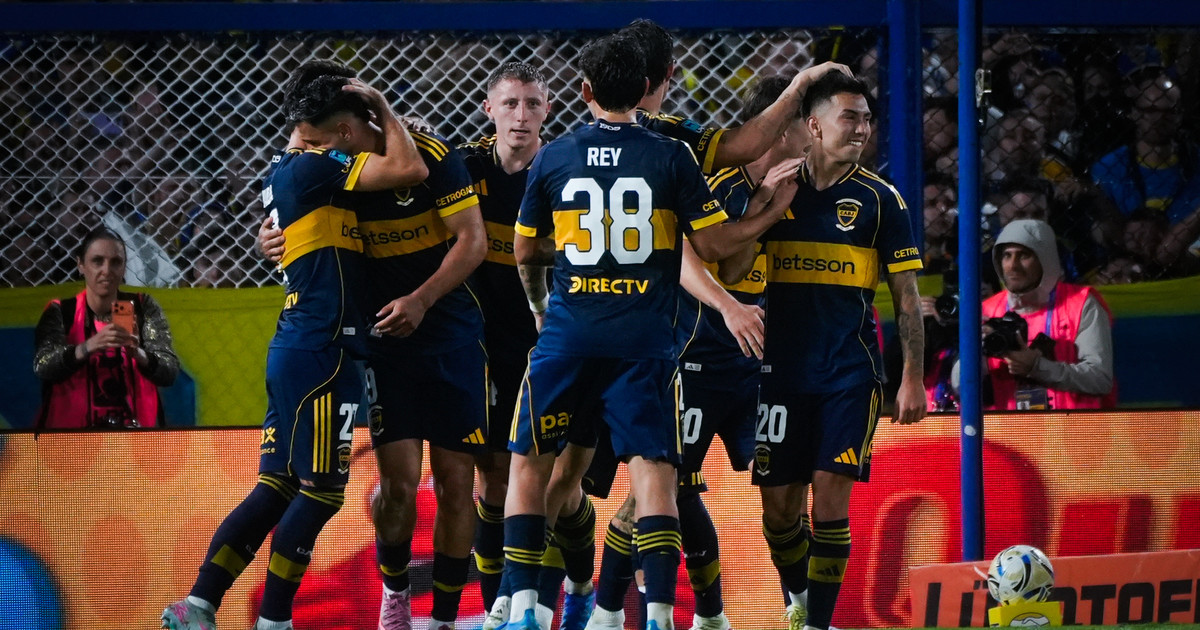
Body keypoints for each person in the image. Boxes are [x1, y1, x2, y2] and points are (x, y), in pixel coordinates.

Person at [503, 33, 792, 630]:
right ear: (644, 89)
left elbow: (525, 250)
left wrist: (561, 279)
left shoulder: (554, 157)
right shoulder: (671, 155)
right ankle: (658, 613)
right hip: (645, 343)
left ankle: (521, 608)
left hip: (569, 337)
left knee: (531, 465)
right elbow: (712, 245)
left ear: (583, 90)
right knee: (655, 475)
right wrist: (766, 211)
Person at [162, 64, 428, 630]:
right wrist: (384, 108)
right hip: (325, 349)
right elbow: (410, 167)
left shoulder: (287, 169)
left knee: (277, 486)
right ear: (333, 128)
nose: (357, 136)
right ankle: (275, 620)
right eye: (350, 125)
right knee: (323, 492)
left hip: (296, 345)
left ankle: (199, 604)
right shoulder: (316, 165)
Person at [254, 61, 489, 630]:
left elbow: (473, 241)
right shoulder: (340, 170)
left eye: (325, 138)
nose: (317, 149)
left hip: (452, 337)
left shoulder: (429, 155)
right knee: (399, 486)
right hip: (386, 345)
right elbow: (289, 205)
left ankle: (445, 618)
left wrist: (422, 300)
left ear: (350, 126)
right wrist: (270, 236)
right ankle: (395, 597)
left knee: (457, 484)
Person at [719, 70, 927, 630]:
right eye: (849, 117)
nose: (861, 129)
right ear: (812, 125)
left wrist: (912, 377)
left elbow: (907, 299)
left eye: (867, 119)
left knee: (830, 501)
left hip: (848, 376)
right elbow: (734, 271)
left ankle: (817, 625)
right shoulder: (779, 188)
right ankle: (799, 602)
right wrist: (765, 206)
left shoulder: (882, 201)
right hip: (779, 376)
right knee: (779, 513)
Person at [665, 75, 810, 630]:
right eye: (806, 122)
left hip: (762, 366)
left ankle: (802, 608)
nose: (814, 133)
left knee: (783, 494)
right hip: (697, 360)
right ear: (782, 129)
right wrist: (765, 206)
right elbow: (726, 268)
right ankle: (710, 616)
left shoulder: (808, 187)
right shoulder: (716, 184)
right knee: (673, 488)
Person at [457, 61, 561, 627]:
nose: (521, 116)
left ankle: (562, 594)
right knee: (490, 476)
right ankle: (497, 604)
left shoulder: (562, 170)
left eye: (533, 104)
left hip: (546, 344)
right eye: (510, 103)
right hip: (475, 345)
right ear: (488, 109)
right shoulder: (462, 167)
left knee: (551, 480)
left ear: (548, 110)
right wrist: (274, 230)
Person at [33, 226, 179, 429]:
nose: (107, 270)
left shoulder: (142, 306)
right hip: (72, 439)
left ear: (124, 267)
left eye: (116, 262)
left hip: (134, 438)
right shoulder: (62, 311)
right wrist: (87, 347)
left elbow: (169, 371)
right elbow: (43, 366)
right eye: (97, 261)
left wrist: (139, 354)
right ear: (81, 265)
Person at [981, 219, 1116, 410]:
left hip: (1073, 426)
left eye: (1024, 255)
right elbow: (960, 386)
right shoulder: (987, 310)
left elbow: (1100, 380)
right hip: (1008, 427)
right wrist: (973, 353)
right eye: (1006, 256)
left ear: (1045, 259)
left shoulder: (1081, 303)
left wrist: (1037, 367)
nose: (1012, 265)